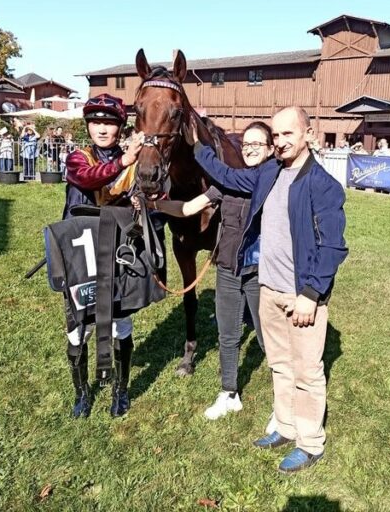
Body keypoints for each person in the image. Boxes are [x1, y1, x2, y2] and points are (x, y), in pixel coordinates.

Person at [191, 107, 348, 474]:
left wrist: (311, 293)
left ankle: (309, 442)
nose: (279, 142)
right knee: (279, 365)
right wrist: (196, 147)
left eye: (287, 134)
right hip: (269, 288)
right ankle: (285, 425)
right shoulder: (269, 170)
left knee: (307, 372)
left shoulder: (323, 186)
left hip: (301, 295)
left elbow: (333, 247)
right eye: (275, 135)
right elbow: (228, 176)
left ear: (309, 134)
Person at [135, 121, 274, 423]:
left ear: (270, 149)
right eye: (246, 144)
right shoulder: (227, 182)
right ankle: (229, 393)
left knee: (265, 337)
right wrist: (152, 204)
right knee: (227, 333)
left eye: (257, 144)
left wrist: (198, 147)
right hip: (227, 266)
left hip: (257, 269)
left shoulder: (271, 176)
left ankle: (284, 403)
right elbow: (188, 209)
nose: (249, 149)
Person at [61, 93, 145, 418]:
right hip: (79, 254)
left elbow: (143, 195)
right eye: (96, 121)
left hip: (116, 255)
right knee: (77, 325)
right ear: (88, 125)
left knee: (121, 322)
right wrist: (123, 163)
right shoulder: (77, 158)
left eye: (109, 122)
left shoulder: (132, 165)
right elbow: (87, 178)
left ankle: (121, 391)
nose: (102, 128)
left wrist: (139, 202)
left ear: (119, 128)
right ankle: (82, 393)